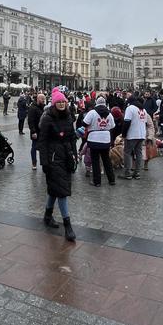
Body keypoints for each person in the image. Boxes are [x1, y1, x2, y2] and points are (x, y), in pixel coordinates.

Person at [38, 87, 78, 241]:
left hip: (66, 156)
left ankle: (48, 215)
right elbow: (42, 141)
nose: (61, 104)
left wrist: (74, 155)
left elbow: (72, 137)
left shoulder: (68, 117)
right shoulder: (48, 118)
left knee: (55, 189)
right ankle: (68, 225)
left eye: (63, 101)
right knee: (61, 191)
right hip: (53, 157)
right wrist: (44, 162)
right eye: (58, 102)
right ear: (54, 103)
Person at [82, 95, 116, 186]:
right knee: (106, 159)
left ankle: (97, 181)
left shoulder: (92, 112)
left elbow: (84, 123)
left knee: (95, 160)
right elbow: (113, 126)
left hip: (94, 138)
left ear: (96, 103)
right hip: (105, 138)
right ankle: (111, 179)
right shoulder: (109, 113)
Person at [121, 93, 147, 179]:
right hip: (141, 134)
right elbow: (145, 122)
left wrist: (124, 134)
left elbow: (126, 122)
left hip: (132, 134)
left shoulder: (130, 108)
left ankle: (127, 173)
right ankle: (137, 172)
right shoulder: (143, 110)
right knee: (138, 153)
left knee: (127, 153)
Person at [27, 92, 46, 169]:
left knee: (43, 148)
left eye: (44, 99)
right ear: (38, 99)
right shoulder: (32, 108)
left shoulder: (43, 107)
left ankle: (43, 162)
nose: (44, 100)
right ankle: (34, 163)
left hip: (43, 132)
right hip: (36, 131)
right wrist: (33, 131)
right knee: (34, 147)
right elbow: (30, 121)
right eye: (42, 99)